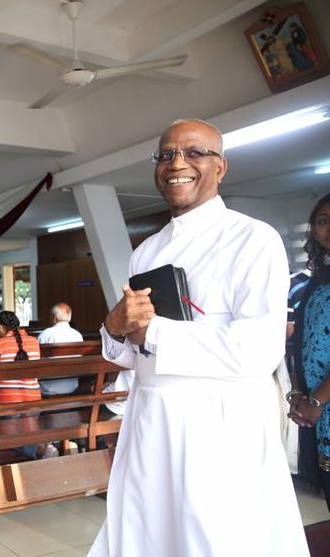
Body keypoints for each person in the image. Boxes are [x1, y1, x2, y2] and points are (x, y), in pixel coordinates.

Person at [90, 119, 307, 556]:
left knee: (212, 539)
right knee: (145, 534)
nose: (177, 164)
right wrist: (115, 327)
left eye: (193, 153)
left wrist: (159, 330)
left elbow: (259, 349)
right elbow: (137, 352)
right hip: (150, 420)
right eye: (166, 154)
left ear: (221, 167)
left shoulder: (252, 239)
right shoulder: (146, 250)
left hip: (216, 426)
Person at [287, 192, 330, 512]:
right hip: (320, 408)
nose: (329, 228)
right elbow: (304, 340)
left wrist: (316, 401)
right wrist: (300, 393)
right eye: (323, 221)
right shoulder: (317, 281)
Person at [0, 311, 51, 459]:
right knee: (28, 430)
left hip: (9, 404)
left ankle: (40, 449)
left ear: (1, 328)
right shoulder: (34, 342)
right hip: (34, 401)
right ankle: (45, 446)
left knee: (4, 438)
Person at [37, 302, 84, 396]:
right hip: (72, 385)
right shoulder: (77, 335)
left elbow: (37, 360)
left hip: (48, 385)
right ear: (69, 318)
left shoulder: (45, 334)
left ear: (54, 317)